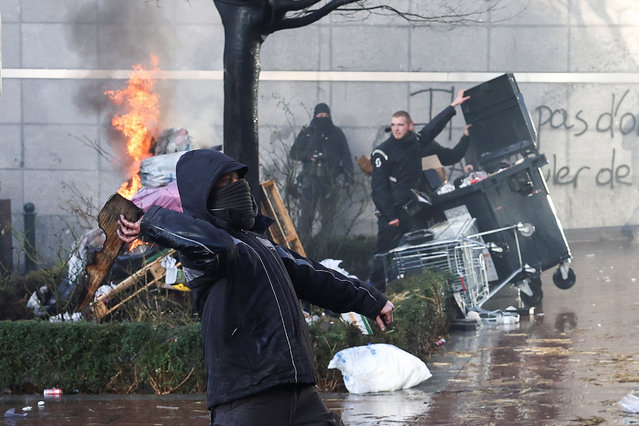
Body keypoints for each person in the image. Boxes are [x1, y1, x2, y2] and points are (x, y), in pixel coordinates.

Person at [117, 148, 394, 425]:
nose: (236, 187)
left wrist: (370, 299)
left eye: (238, 179)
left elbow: (314, 277)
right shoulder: (200, 251)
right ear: (203, 192)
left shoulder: (260, 243)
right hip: (246, 397)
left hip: (299, 392)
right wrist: (152, 222)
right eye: (225, 182)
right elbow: (217, 245)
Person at [368, 90, 472, 292]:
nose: (396, 129)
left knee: (423, 249)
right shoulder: (383, 151)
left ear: (409, 126)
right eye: (394, 125)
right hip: (393, 212)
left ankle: (418, 291)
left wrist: (454, 106)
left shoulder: (416, 142)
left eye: (400, 125)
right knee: (383, 254)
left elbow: (434, 127)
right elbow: (378, 188)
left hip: (413, 208)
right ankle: (373, 291)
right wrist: (389, 216)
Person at [290, 103, 353, 240]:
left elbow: (346, 156)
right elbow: (294, 153)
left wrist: (348, 177)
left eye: (326, 115)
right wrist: (308, 157)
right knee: (306, 215)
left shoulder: (336, 133)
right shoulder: (308, 132)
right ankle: (303, 245)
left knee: (328, 217)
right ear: (315, 116)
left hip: (330, 180)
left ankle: (325, 246)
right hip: (309, 180)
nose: (323, 118)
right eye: (320, 115)